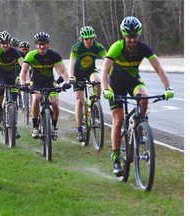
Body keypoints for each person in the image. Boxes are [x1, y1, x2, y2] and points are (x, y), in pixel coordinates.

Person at [101, 16, 174, 176]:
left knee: (144, 97)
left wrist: (167, 88)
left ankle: (139, 125)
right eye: (129, 37)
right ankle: (115, 159)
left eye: (135, 37)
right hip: (116, 84)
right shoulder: (117, 47)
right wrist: (106, 89)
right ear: (123, 35)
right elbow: (105, 69)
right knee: (118, 120)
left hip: (133, 81)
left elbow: (159, 69)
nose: (132, 40)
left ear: (138, 36)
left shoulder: (143, 48)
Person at [20, 32, 71, 140]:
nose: (42, 46)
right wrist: (22, 83)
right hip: (36, 83)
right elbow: (23, 72)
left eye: (44, 44)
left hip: (50, 83)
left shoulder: (54, 55)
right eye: (39, 44)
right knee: (36, 98)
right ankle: (35, 127)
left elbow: (63, 70)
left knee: (55, 103)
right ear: (36, 45)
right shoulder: (31, 55)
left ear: (48, 44)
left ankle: (54, 127)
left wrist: (67, 81)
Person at [69, 26, 107, 142]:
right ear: (82, 39)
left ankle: (95, 103)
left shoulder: (98, 47)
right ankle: (79, 128)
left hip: (90, 71)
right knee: (80, 101)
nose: (89, 41)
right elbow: (71, 63)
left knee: (97, 81)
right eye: (86, 39)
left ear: (94, 37)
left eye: (90, 38)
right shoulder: (77, 48)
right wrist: (71, 76)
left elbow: (107, 61)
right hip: (78, 74)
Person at [0, 31, 24, 138]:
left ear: (9, 43)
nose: (5, 45)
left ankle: (15, 127)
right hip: (0, 76)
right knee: (0, 90)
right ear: (0, 43)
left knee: (13, 101)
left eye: (7, 43)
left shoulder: (15, 52)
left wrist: (25, 78)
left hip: (12, 77)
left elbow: (23, 65)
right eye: (3, 43)